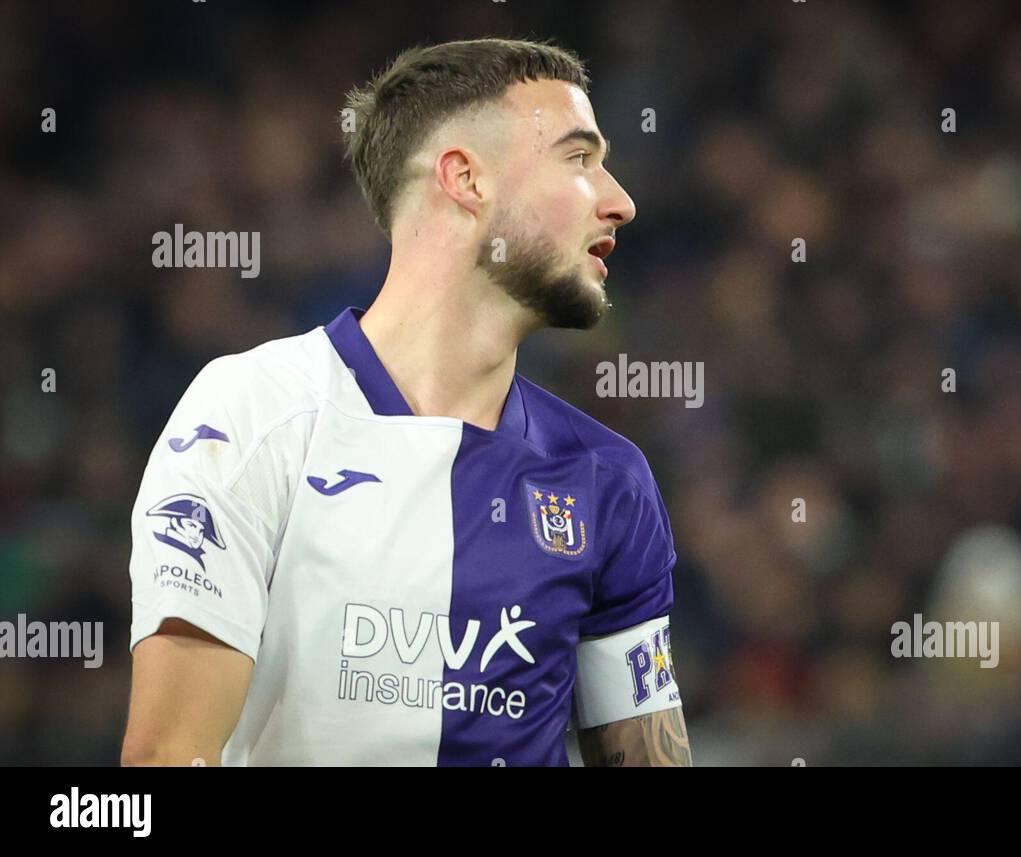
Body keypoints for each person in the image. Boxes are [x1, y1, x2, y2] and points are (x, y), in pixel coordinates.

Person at [121, 38, 690, 767]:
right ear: (465, 179)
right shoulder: (252, 416)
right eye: (579, 159)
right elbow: (168, 758)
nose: (621, 200)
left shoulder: (609, 480)